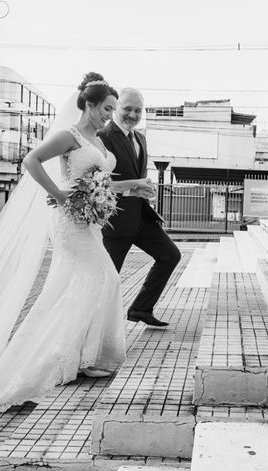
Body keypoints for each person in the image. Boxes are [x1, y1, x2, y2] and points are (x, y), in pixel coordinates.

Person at [0, 73, 150, 439]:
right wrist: (62, 194)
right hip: (68, 222)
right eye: (106, 109)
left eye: (113, 110)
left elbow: (98, 183)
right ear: (89, 105)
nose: (108, 116)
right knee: (102, 278)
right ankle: (72, 357)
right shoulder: (70, 135)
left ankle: (83, 356)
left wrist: (130, 187)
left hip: (87, 223)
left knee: (80, 285)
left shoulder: (97, 140)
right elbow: (31, 162)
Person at [98, 88, 181, 328]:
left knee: (170, 255)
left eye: (138, 110)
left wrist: (145, 190)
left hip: (141, 216)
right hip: (115, 220)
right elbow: (99, 183)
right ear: (116, 109)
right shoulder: (103, 135)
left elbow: (137, 175)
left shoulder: (140, 138)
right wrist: (132, 188)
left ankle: (140, 309)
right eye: (127, 109)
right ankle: (98, 329)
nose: (133, 114)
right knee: (108, 280)